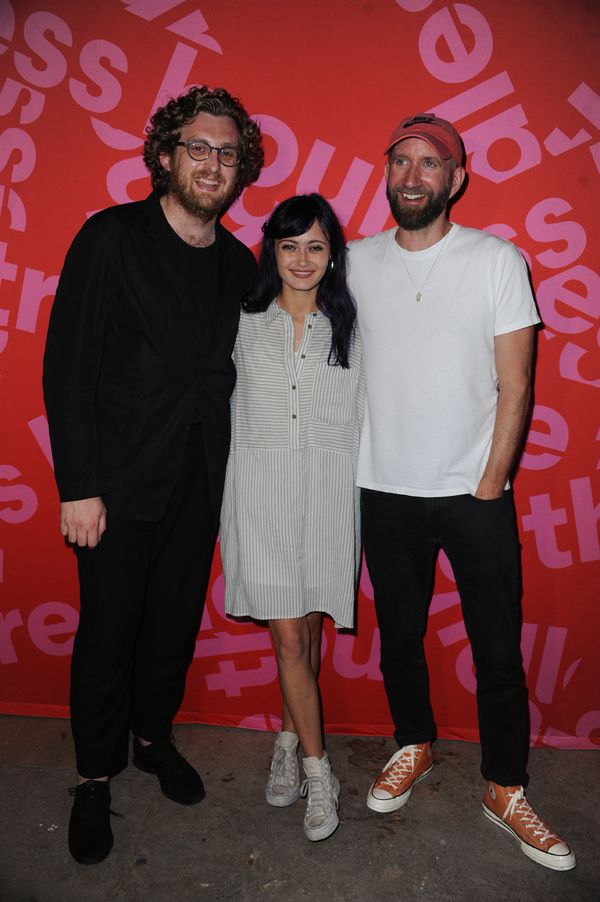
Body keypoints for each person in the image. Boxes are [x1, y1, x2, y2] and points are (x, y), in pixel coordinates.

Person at [347, 114, 575, 871]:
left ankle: (505, 787)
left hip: (473, 496)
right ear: (388, 172)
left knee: (497, 648)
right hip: (382, 489)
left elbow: (517, 384)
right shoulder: (351, 261)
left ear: (457, 179)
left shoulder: (496, 260)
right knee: (401, 638)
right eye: (401, 160)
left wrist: (489, 483)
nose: (412, 175)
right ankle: (413, 744)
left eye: (429, 164)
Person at [42, 86, 263, 865]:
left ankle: (150, 740)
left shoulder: (241, 264)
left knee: (170, 627)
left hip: (201, 484)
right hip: (114, 484)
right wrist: (77, 486)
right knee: (108, 634)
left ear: (242, 170)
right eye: (198, 147)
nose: (213, 163)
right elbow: (68, 366)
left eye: (228, 152)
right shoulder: (111, 238)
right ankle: (94, 777)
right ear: (166, 156)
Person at [220, 194, 364, 842]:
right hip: (262, 493)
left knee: (306, 636)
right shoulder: (242, 322)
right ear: (271, 252)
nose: (301, 259)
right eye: (288, 246)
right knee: (287, 638)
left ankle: (285, 738)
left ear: (332, 255)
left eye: (315, 246)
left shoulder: (357, 329)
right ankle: (317, 768)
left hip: (330, 497)